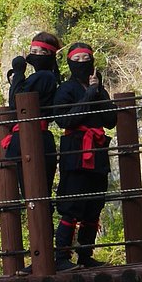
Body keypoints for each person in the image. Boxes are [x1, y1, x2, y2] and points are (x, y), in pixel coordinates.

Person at [51, 42, 117, 270]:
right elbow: (63, 120)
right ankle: (61, 258)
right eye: (76, 59)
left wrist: (96, 93)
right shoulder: (65, 89)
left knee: (93, 205)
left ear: (92, 61)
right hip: (75, 152)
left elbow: (111, 120)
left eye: (85, 58)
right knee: (72, 205)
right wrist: (88, 96)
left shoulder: (98, 88)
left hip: (97, 152)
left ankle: (85, 256)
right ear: (69, 63)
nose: (81, 63)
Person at [3, 31, 61, 202]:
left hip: (31, 137)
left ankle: (41, 227)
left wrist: (19, 72)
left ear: (49, 55)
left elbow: (17, 102)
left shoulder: (43, 76)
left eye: (39, 52)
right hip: (34, 136)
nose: (34, 55)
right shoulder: (47, 77)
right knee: (36, 194)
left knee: (33, 195)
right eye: (32, 51)